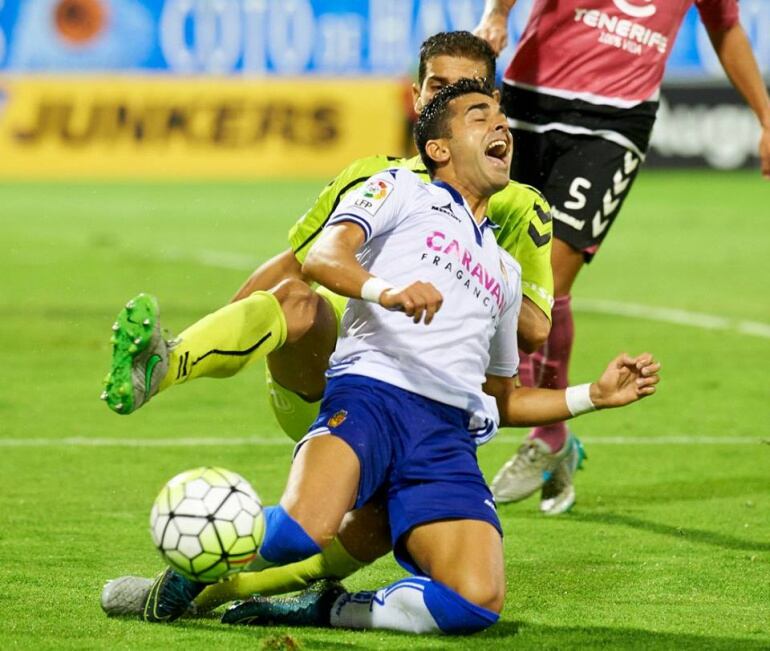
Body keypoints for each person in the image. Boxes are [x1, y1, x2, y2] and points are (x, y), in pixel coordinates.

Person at [145, 80, 661, 635]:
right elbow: (323, 256)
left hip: (447, 437)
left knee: (475, 603)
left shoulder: (506, 272)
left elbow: (502, 399)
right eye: (479, 116)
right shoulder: (400, 189)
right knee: (299, 532)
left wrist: (592, 396)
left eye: (501, 117)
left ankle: (332, 608)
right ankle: (199, 567)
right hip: (372, 396)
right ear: (438, 148)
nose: (501, 126)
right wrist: (385, 291)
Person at [100, 32, 559, 621]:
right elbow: (296, 264)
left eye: (470, 89)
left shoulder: (516, 205)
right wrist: (224, 336)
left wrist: (476, 284)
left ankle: (204, 590)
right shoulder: (379, 177)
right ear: (418, 94)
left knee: (365, 532)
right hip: (348, 375)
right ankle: (166, 363)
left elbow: (533, 327)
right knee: (296, 300)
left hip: (434, 400)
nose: (448, 95)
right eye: (439, 85)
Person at [473, 0, 770, 512]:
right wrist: (497, 14)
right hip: (530, 100)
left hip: (615, 121)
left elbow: (724, 27)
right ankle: (529, 425)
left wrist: (765, 115)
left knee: (546, 282)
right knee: (496, 269)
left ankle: (545, 434)